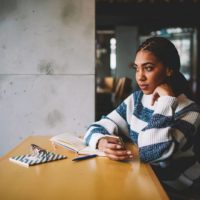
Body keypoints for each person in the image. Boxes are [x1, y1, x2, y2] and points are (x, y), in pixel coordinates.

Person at [84, 36, 200, 199]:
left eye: (148, 68)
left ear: (169, 69)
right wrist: (102, 142)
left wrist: (166, 101)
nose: (140, 77)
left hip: (180, 191)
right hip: (144, 179)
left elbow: (151, 152)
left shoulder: (191, 111)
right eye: (136, 68)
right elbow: (95, 128)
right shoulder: (136, 100)